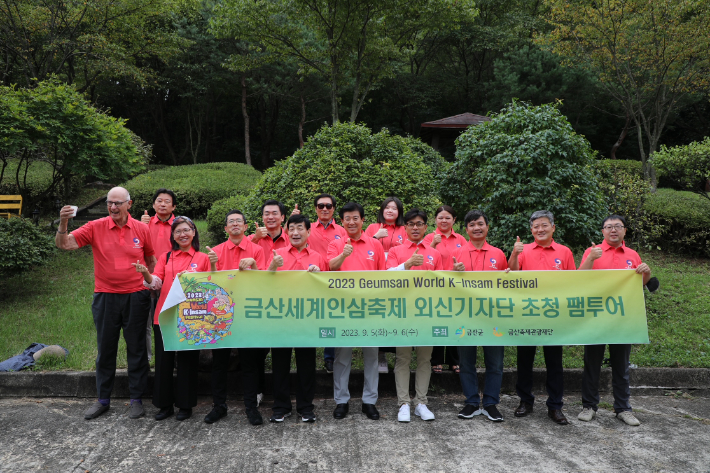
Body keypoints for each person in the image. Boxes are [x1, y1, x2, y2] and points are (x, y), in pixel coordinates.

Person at [55, 187, 156, 420]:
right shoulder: (95, 227)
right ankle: (103, 400)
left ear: (129, 204)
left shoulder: (142, 229)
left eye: (118, 203)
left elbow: (150, 259)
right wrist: (63, 223)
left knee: (137, 349)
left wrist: (149, 287)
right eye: (110, 203)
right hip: (105, 296)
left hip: (137, 296)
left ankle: (136, 399)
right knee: (106, 349)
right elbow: (65, 244)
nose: (113, 207)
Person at [132, 216, 212, 421]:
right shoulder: (166, 257)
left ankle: (185, 406)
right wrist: (146, 275)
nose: (182, 234)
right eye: (178, 232)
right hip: (165, 316)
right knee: (163, 362)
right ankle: (164, 404)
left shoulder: (203, 258)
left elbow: (210, 286)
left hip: (191, 317)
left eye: (186, 230)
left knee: (187, 362)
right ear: (173, 236)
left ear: (194, 232)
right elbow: (156, 283)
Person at [576, 215, 651, 426]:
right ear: (602, 232)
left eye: (618, 226)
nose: (613, 230)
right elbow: (578, 279)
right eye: (608, 227)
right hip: (596, 318)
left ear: (625, 231)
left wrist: (646, 273)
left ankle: (623, 408)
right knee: (592, 364)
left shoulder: (633, 255)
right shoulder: (592, 252)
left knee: (621, 365)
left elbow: (640, 285)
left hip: (623, 320)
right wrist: (591, 258)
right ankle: (589, 406)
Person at [508, 210, 576, 425]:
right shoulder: (523, 250)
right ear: (531, 229)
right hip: (526, 314)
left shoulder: (564, 252)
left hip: (553, 316)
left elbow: (574, 282)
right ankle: (525, 401)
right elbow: (511, 275)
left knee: (554, 363)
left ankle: (555, 406)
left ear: (553, 227)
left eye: (544, 225)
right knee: (524, 361)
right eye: (536, 226)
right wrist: (513, 253)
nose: (540, 229)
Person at [204, 210, 266, 425]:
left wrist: (255, 266)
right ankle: (219, 406)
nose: (235, 224)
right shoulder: (216, 251)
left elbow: (264, 283)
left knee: (249, 363)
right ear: (225, 229)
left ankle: (251, 407)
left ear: (246, 226)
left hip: (248, 314)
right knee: (219, 363)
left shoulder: (257, 250)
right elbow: (209, 284)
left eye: (239, 221)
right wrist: (212, 264)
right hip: (221, 315)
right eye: (231, 222)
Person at [266, 214, 328, 423]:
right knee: (280, 364)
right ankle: (280, 407)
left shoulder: (318, 257)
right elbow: (264, 283)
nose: (295, 232)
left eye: (300, 228)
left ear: (308, 232)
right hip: (281, 319)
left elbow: (326, 288)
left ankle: (306, 407)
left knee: (306, 365)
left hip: (307, 320)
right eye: (291, 228)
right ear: (286, 231)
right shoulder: (277, 254)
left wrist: (318, 273)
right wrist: (273, 266)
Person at [327, 202, 385, 421]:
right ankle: (341, 401)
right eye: (347, 219)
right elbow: (330, 267)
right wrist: (343, 254)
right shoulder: (336, 244)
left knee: (371, 355)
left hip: (370, 309)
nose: (351, 222)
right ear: (342, 222)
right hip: (343, 309)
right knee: (342, 357)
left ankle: (369, 401)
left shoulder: (375, 244)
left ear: (362, 220)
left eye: (355, 218)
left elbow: (382, 277)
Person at [451, 210, 508, 422]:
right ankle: (472, 402)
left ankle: (491, 403)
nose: (477, 227)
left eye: (480, 224)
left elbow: (508, 285)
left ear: (487, 227)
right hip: (464, 317)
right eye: (472, 224)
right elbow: (444, 286)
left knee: (495, 363)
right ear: (466, 229)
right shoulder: (457, 254)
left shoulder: (498, 254)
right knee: (466, 363)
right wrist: (454, 272)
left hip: (493, 317)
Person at [386, 209, 442, 422]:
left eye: (419, 224)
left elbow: (442, 284)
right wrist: (406, 265)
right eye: (411, 224)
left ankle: (421, 402)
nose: (415, 227)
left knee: (424, 359)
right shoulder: (395, 251)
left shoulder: (435, 254)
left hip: (427, 314)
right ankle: (403, 403)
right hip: (402, 312)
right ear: (405, 228)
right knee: (402, 358)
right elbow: (386, 279)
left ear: (426, 227)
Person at [248, 199, 292, 407]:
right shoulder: (252, 240)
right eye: (267, 213)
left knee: (281, 350)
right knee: (257, 350)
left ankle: (280, 396)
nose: (270, 217)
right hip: (257, 300)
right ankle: (257, 390)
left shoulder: (292, 239)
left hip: (284, 301)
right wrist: (254, 240)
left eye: (275, 213)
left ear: (283, 217)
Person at [364, 197, 407, 374]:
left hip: (397, 275)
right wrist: (375, 237)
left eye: (394, 208)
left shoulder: (404, 229)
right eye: (387, 208)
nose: (390, 211)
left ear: (399, 212)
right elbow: (363, 246)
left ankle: (398, 355)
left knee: (394, 314)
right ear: (382, 210)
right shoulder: (373, 227)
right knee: (378, 313)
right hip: (376, 274)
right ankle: (379, 354)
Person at [423, 205, 466, 374]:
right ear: (435, 220)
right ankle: (436, 360)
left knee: (455, 321)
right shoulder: (428, 237)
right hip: (435, 286)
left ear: (454, 220)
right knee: (438, 322)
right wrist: (433, 242)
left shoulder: (461, 239)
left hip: (456, 286)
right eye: (440, 217)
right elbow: (425, 257)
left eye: (448, 217)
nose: (444, 221)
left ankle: (455, 361)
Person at [307, 193, 347, 374]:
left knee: (332, 317)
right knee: (310, 316)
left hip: (334, 279)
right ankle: (307, 356)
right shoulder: (307, 229)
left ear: (333, 210)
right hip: (311, 278)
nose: (324, 209)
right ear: (315, 208)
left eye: (328, 206)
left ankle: (329, 357)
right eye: (321, 206)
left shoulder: (342, 230)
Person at [140, 189, 177, 362]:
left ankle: (175, 357)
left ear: (174, 206)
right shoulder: (143, 224)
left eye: (167, 201)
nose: (163, 204)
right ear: (154, 204)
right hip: (146, 279)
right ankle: (146, 360)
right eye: (159, 201)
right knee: (145, 323)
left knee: (172, 322)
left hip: (171, 281)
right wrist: (142, 225)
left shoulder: (180, 226)